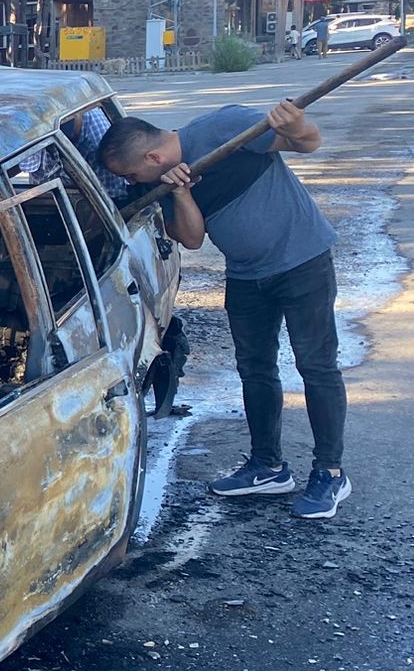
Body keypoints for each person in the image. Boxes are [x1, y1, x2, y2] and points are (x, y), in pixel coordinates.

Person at [98, 100, 350, 521]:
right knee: (255, 369)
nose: (131, 182)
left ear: (152, 157)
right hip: (247, 276)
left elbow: (307, 143)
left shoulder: (225, 128)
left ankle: (330, 472)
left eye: (131, 174)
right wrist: (181, 193)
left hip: (303, 262)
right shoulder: (158, 185)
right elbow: (192, 238)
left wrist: (299, 124)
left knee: (316, 366)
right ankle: (268, 466)